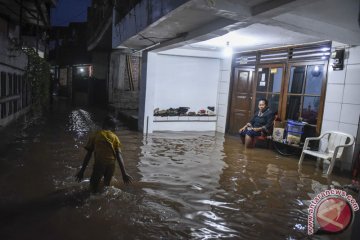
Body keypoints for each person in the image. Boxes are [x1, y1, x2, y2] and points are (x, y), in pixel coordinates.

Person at [75, 115, 132, 192]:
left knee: (92, 186)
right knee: (106, 186)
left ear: (103, 125)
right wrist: (124, 173)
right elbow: (119, 156)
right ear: (112, 127)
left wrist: (82, 171)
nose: (116, 129)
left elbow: (88, 155)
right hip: (111, 166)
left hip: (99, 165)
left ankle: (93, 199)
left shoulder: (95, 135)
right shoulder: (115, 138)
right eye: (115, 127)